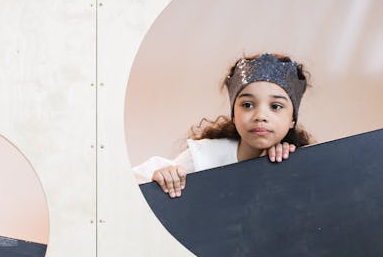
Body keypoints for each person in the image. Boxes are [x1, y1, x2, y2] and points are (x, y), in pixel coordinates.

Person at [133, 53, 312, 197]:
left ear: (292, 120)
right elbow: (131, 181)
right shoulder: (204, 156)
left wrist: (290, 166)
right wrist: (162, 177)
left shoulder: (301, 161)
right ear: (234, 115)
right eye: (247, 105)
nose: (260, 116)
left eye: (276, 106)